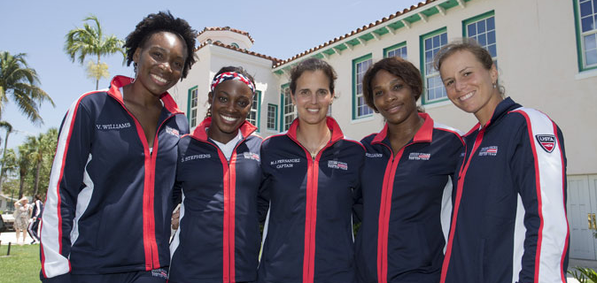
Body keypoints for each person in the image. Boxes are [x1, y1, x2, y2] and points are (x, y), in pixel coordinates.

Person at [39, 11, 196, 283]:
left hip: (153, 269)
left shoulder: (178, 124)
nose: (166, 67)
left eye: (177, 63)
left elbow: (172, 192)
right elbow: (61, 190)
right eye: (157, 55)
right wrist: (55, 269)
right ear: (137, 54)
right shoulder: (91, 107)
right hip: (93, 267)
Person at [435, 39, 569, 283]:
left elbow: (547, 220)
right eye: (450, 82)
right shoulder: (467, 143)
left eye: (467, 73)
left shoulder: (527, 124)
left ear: (492, 72)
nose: (460, 87)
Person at [354, 57, 464, 283]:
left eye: (397, 86)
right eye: (379, 92)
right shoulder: (365, 148)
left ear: (414, 88)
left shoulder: (450, 143)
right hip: (365, 276)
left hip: (425, 276)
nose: (389, 97)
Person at [258, 58, 365, 283]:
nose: (313, 101)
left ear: (332, 95)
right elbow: (249, 207)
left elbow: (369, 214)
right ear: (293, 96)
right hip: (277, 276)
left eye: (321, 92)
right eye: (305, 92)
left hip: (338, 277)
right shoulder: (271, 149)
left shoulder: (354, 153)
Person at [168, 66, 263, 283]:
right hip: (189, 275)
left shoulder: (260, 149)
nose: (231, 108)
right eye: (223, 98)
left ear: (250, 106)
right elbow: (161, 205)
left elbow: (263, 206)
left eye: (242, 102)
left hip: (244, 274)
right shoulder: (184, 147)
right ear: (211, 98)